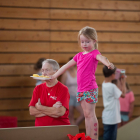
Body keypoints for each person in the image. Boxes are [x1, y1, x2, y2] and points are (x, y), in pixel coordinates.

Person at [51, 26, 114, 140]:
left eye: (87, 41)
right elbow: (66, 66)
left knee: (91, 114)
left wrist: (107, 63)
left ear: (94, 41)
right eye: (82, 42)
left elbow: (101, 57)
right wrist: (54, 75)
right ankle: (88, 137)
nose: (84, 44)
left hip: (90, 88)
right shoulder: (79, 55)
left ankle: (94, 137)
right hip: (80, 90)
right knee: (86, 115)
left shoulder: (94, 53)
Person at [29, 59, 70, 126]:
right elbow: (32, 111)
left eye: (47, 70)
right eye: (42, 70)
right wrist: (52, 109)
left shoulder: (63, 89)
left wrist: (40, 107)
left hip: (59, 128)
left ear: (56, 72)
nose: (44, 73)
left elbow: (59, 112)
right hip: (40, 129)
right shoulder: (38, 88)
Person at [102, 66, 126, 140]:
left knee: (108, 136)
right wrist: (123, 81)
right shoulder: (112, 87)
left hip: (107, 117)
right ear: (112, 75)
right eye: (115, 73)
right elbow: (123, 95)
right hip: (112, 118)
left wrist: (119, 80)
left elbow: (117, 90)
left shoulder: (104, 84)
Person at [61, 57, 84, 125]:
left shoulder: (78, 72)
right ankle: (73, 133)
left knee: (83, 114)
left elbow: (82, 85)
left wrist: (81, 96)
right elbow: (62, 87)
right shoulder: (65, 74)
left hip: (77, 97)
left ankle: (74, 126)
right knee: (71, 116)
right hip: (69, 97)